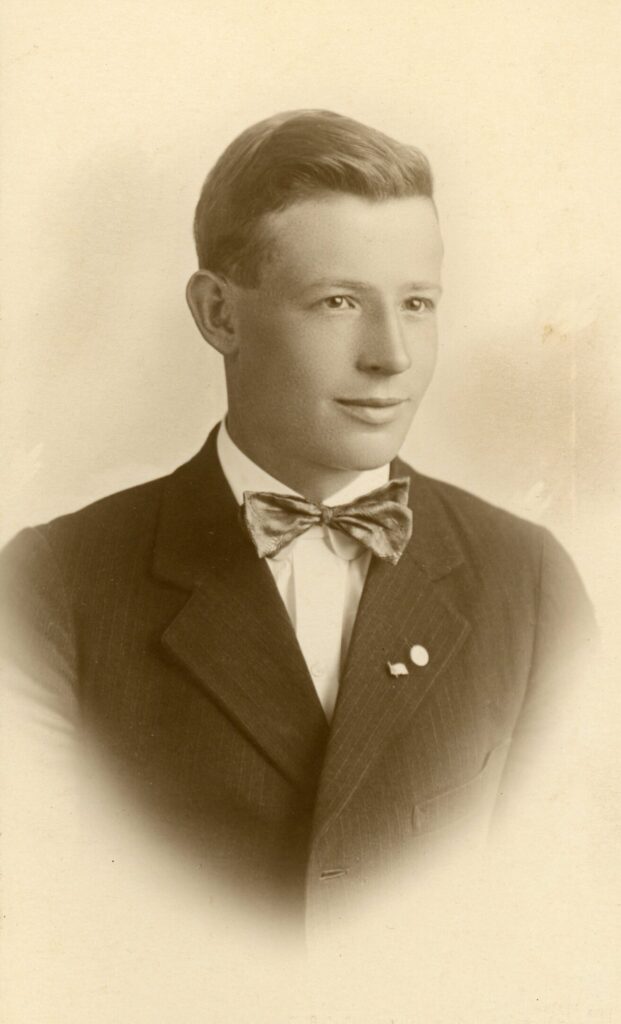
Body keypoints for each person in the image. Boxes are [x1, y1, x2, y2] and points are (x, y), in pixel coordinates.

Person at [0, 110, 596, 930]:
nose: (390, 354)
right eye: (339, 301)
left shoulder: (529, 582)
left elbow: (567, 915)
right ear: (218, 314)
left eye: (417, 303)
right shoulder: (51, 585)